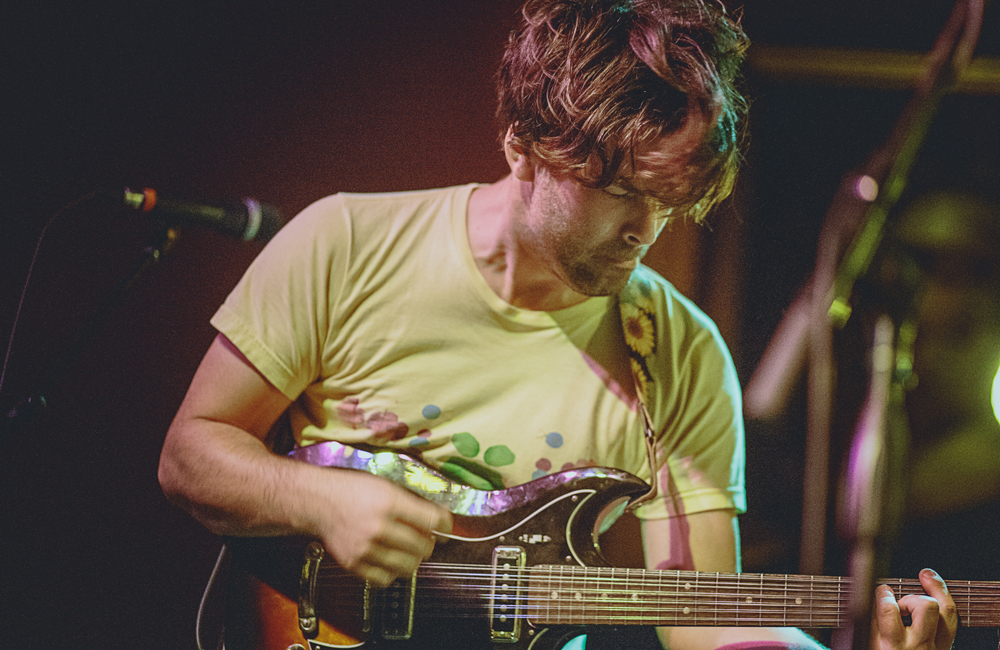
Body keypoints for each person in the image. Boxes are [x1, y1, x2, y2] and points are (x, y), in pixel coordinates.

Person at [158, 1, 957, 649]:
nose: (648, 230)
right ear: (523, 145)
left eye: (668, 200)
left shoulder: (680, 351)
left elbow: (707, 619)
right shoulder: (345, 244)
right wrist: (320, 503)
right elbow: (191, 454)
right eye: (618, 190)